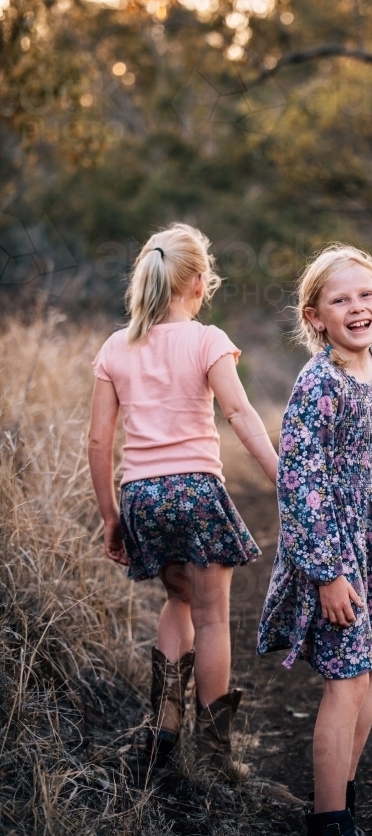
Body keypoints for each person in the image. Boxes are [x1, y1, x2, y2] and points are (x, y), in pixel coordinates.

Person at [88, 223, 278, 782]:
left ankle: (162, 735)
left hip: (142, 496)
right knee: (213, 616)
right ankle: (216, 757)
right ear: (198, 282)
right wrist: (282, 477)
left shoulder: (115, 346)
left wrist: (110, 516)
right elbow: (239, 413)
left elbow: (99, 441)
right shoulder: (207, 339)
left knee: (176, 602)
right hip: (195, 490)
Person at [258, 243, 372, 836]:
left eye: (366, 294)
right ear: (315, 317)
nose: (357, 307)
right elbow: (298, 480)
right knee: (346, 679)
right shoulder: (321, 381)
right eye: (339, 300)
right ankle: (330, 817)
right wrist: (326, 572)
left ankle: (341, 782)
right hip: (330, 545)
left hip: (362, 536)